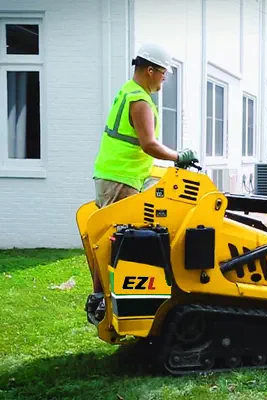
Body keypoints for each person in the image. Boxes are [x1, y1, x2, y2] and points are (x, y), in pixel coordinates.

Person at [86, 43, 198, 323]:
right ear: (150, 70)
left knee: (113, 241)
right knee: (120, 244)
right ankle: (109, 303)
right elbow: (148, 144)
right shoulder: (139, 100)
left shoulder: (128, 91)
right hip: (121, 178)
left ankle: (103, 300)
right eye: (163, 72)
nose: (164, 78)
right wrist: (178, 156)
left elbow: (137, 145)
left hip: (116, 175)